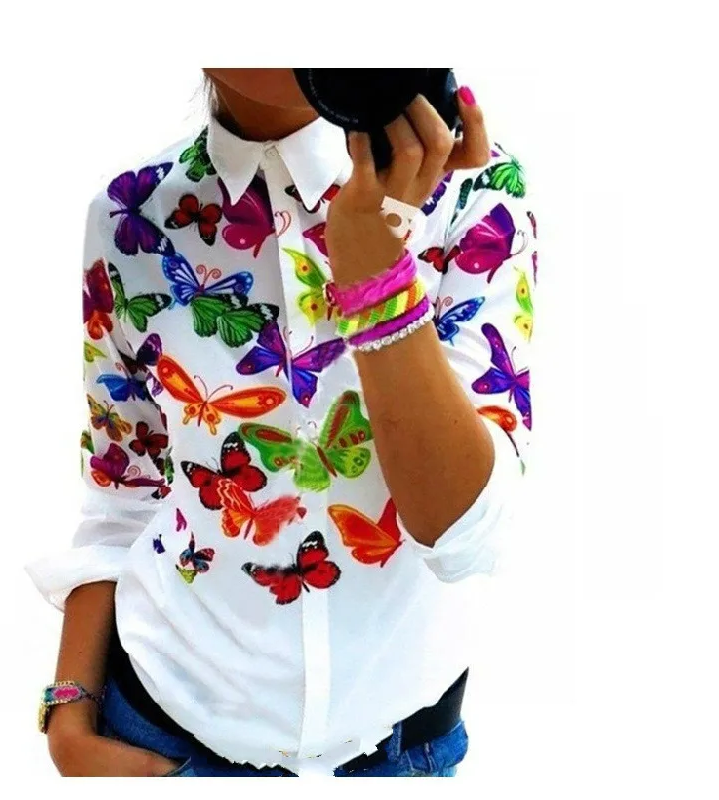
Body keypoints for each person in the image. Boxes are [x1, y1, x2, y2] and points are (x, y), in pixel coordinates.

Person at [26, 67, 536, 777]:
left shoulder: (471, 189)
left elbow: (463, 536)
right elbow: (124, 490)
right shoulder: (130, 218)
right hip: (162, 732)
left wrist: (378, 280)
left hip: (400, 748)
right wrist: (70, 713)